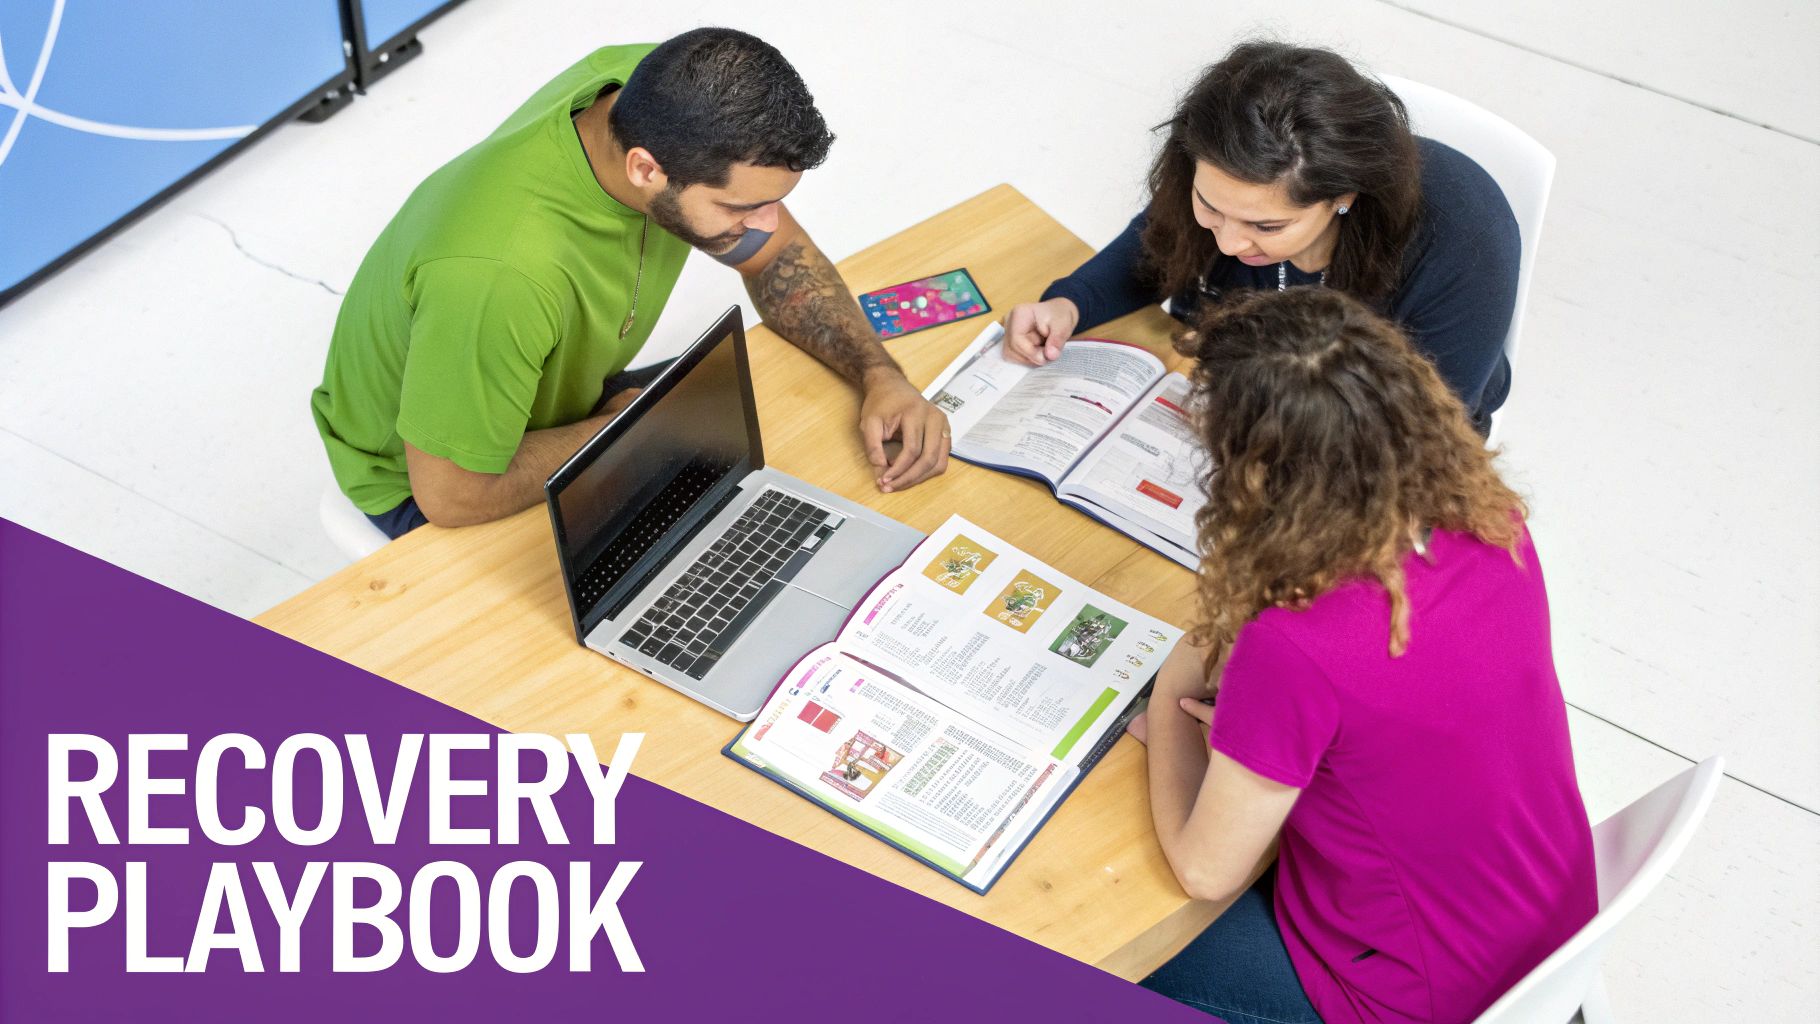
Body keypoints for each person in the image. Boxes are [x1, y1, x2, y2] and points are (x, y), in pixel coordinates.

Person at [1134, 289, 1594, 1023]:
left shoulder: (1293, 644)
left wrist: (1167, 700)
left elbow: (1204, 871)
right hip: (1543, 928)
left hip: (1413, 995)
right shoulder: (1490, 515)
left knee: (1068, 947)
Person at [312, 29, 949, 538]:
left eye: (772, 201)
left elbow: (778, 261)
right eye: (738, 209)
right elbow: (452, 494)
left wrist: (880, 375)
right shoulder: (502, 276)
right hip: (427, 479)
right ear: (645, 168)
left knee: (792, 460)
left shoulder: (653, 94)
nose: (768, 226)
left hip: (556, 401)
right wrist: (636, 426)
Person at [1002, 41, 1520, 435]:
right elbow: (1157, 248)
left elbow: (1428, 427)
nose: (1227, 244)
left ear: (1343, 196)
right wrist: (1070, 304)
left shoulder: (1464, 237)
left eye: (1266, 227)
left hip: (1379, 435)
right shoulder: (1218, 185)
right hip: (1228, 394)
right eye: (1210, 206)